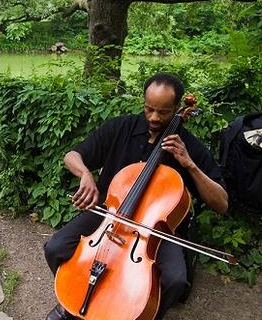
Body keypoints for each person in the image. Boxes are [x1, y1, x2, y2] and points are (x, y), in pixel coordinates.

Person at [43, 72, 228, 320]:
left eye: (163, 112)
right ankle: (72, 305)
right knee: (55, 247)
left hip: (155, 230)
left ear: (176, 108)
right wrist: (85, 173)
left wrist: (190, 165)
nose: (153, 117)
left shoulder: (188, 147)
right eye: (149, 108)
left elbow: (221, 204)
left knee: (175, 281)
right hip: (110, 213)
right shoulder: (120, 127)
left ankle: (140, 315)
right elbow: (72, 156)